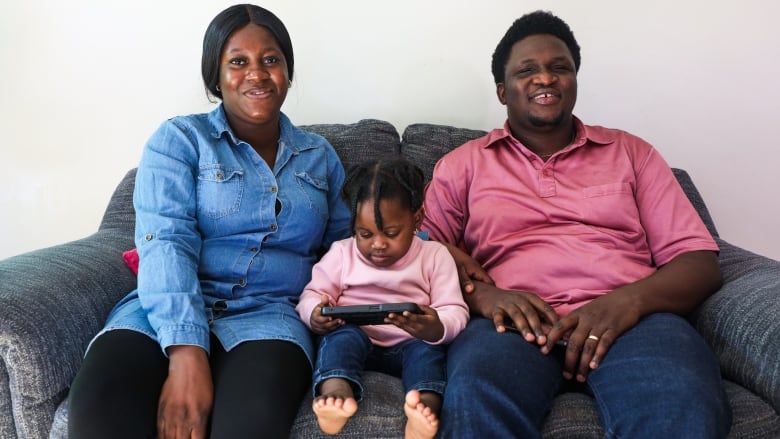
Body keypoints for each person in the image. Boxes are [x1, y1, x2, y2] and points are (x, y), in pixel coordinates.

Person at [422, 10, 732, 439]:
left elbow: (699, 262)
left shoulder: (631, 153)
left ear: (574, 81)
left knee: (679, 397)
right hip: (511, 327)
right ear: (501, 90)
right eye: (527, 70)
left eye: (559, 68)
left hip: (633, 322)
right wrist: (484, 297)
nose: (545, 79)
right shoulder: (463, 165)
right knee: (475, 392)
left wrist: (627, 303)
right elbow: (417, 254)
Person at [67, 4, 351, 438]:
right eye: (238, 62)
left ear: (288, 72)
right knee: (101, 416)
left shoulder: (319, 157)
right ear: (214, 76)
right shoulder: (179, 140)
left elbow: (348, 250)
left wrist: (437, 250)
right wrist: (186, 352)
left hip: (270, 318)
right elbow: (165, 240)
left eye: (271, 60)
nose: (256, 74)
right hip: (161, 311)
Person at [296, 158, 469, 439]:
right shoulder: (342, 253)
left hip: (411, 341)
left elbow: (454, 309)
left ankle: (424, 409)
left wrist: (435, 327)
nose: (377, 244)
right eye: (364, 234)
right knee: (340, 338)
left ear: (416, 219)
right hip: (357, 335)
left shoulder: (435, 255)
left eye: (391, 233)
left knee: (428, 354)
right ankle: (336, 394)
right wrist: (315, 313)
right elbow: (313, 293)